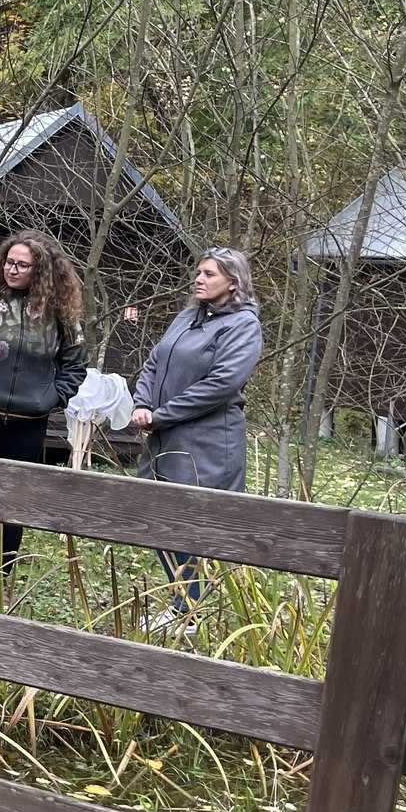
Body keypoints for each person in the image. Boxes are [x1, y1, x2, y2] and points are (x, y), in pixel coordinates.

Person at [0, 231, 88, 605]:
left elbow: (75, 364)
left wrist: (51, 398)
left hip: (29, 421)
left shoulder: (59, 312)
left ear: (39, 270)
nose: (13, 269)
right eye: (9, 262)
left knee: (15, 501)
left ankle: (2, 578)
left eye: (23, 265)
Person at [132, 249, 264, 631]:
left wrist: (161, 415)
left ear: (233, 282)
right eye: (198, 272)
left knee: (189, 524)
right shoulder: (188, 316)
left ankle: (187, 611)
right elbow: (154, 362)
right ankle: (182, 603)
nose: (199, 278)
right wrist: (143, 403)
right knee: (155, 517)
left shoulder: (242, 325)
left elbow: (221, 385)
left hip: (206, 443)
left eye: (209, 274)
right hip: (164, 435)